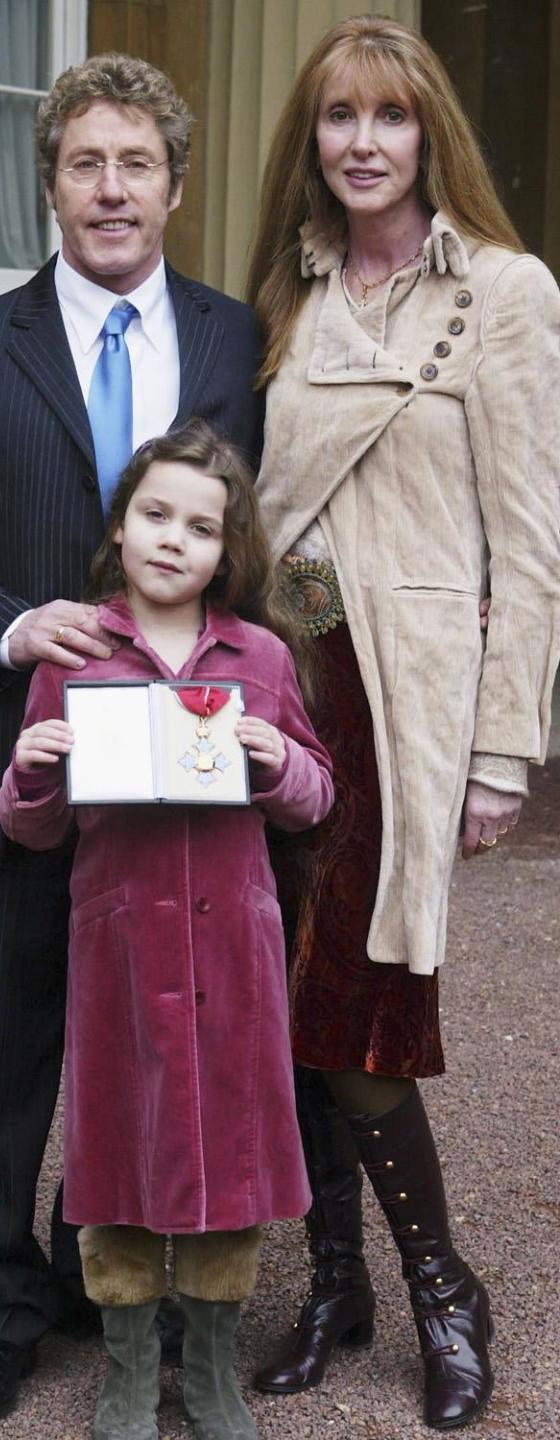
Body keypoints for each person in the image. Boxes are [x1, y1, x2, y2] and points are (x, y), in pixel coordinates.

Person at [0, 52, 264, 1427]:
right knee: (0, 1045)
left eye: (136, 164)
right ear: (47, 181)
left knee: (164, 1042)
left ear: (175, 183)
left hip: (184, 780)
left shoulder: (235, 343)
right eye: (82, 163)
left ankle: (133, 1290)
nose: (110, 190)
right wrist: (9, 626)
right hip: (24, 753)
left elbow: (255, 535)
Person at [244, 16, 560, 1431]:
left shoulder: (503, 290)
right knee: (286, 990)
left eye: (388, 115)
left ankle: (446, 1288)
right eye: (336, 118)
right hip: (284, 680)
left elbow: (533, 542)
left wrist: (505, 749)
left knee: (363, 997)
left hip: (407, 697)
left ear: (430, 131)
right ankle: (337, 1286)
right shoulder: (286, 297)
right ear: (309, 139)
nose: (361, 142)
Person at [0, 421, 333, 1440]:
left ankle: (216, 1368)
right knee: (116, 1151)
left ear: (228, 549)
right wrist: (34, 767)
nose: (172, 540)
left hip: (233, 950)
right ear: (121, 524)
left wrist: (275, 755)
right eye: (154, 515)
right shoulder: (77, 652)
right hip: (120, 952)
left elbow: (316, 802)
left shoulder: (262, 656)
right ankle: (130, 1372)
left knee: (229, 1152)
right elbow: (30, 823)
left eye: (199, 525)